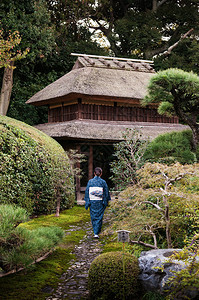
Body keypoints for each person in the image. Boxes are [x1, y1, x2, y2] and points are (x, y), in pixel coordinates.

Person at [84, 167, 111, 238]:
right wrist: (105, 201)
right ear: (101, 174)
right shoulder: (103, 182)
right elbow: (106, 193)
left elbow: (87, 192)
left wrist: (88, 201)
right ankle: (97, 232)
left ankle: (95, 232)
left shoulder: (90, 182)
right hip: (100, 202)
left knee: (93, 217)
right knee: (99, 217)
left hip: (92, 201)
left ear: (94, 173)